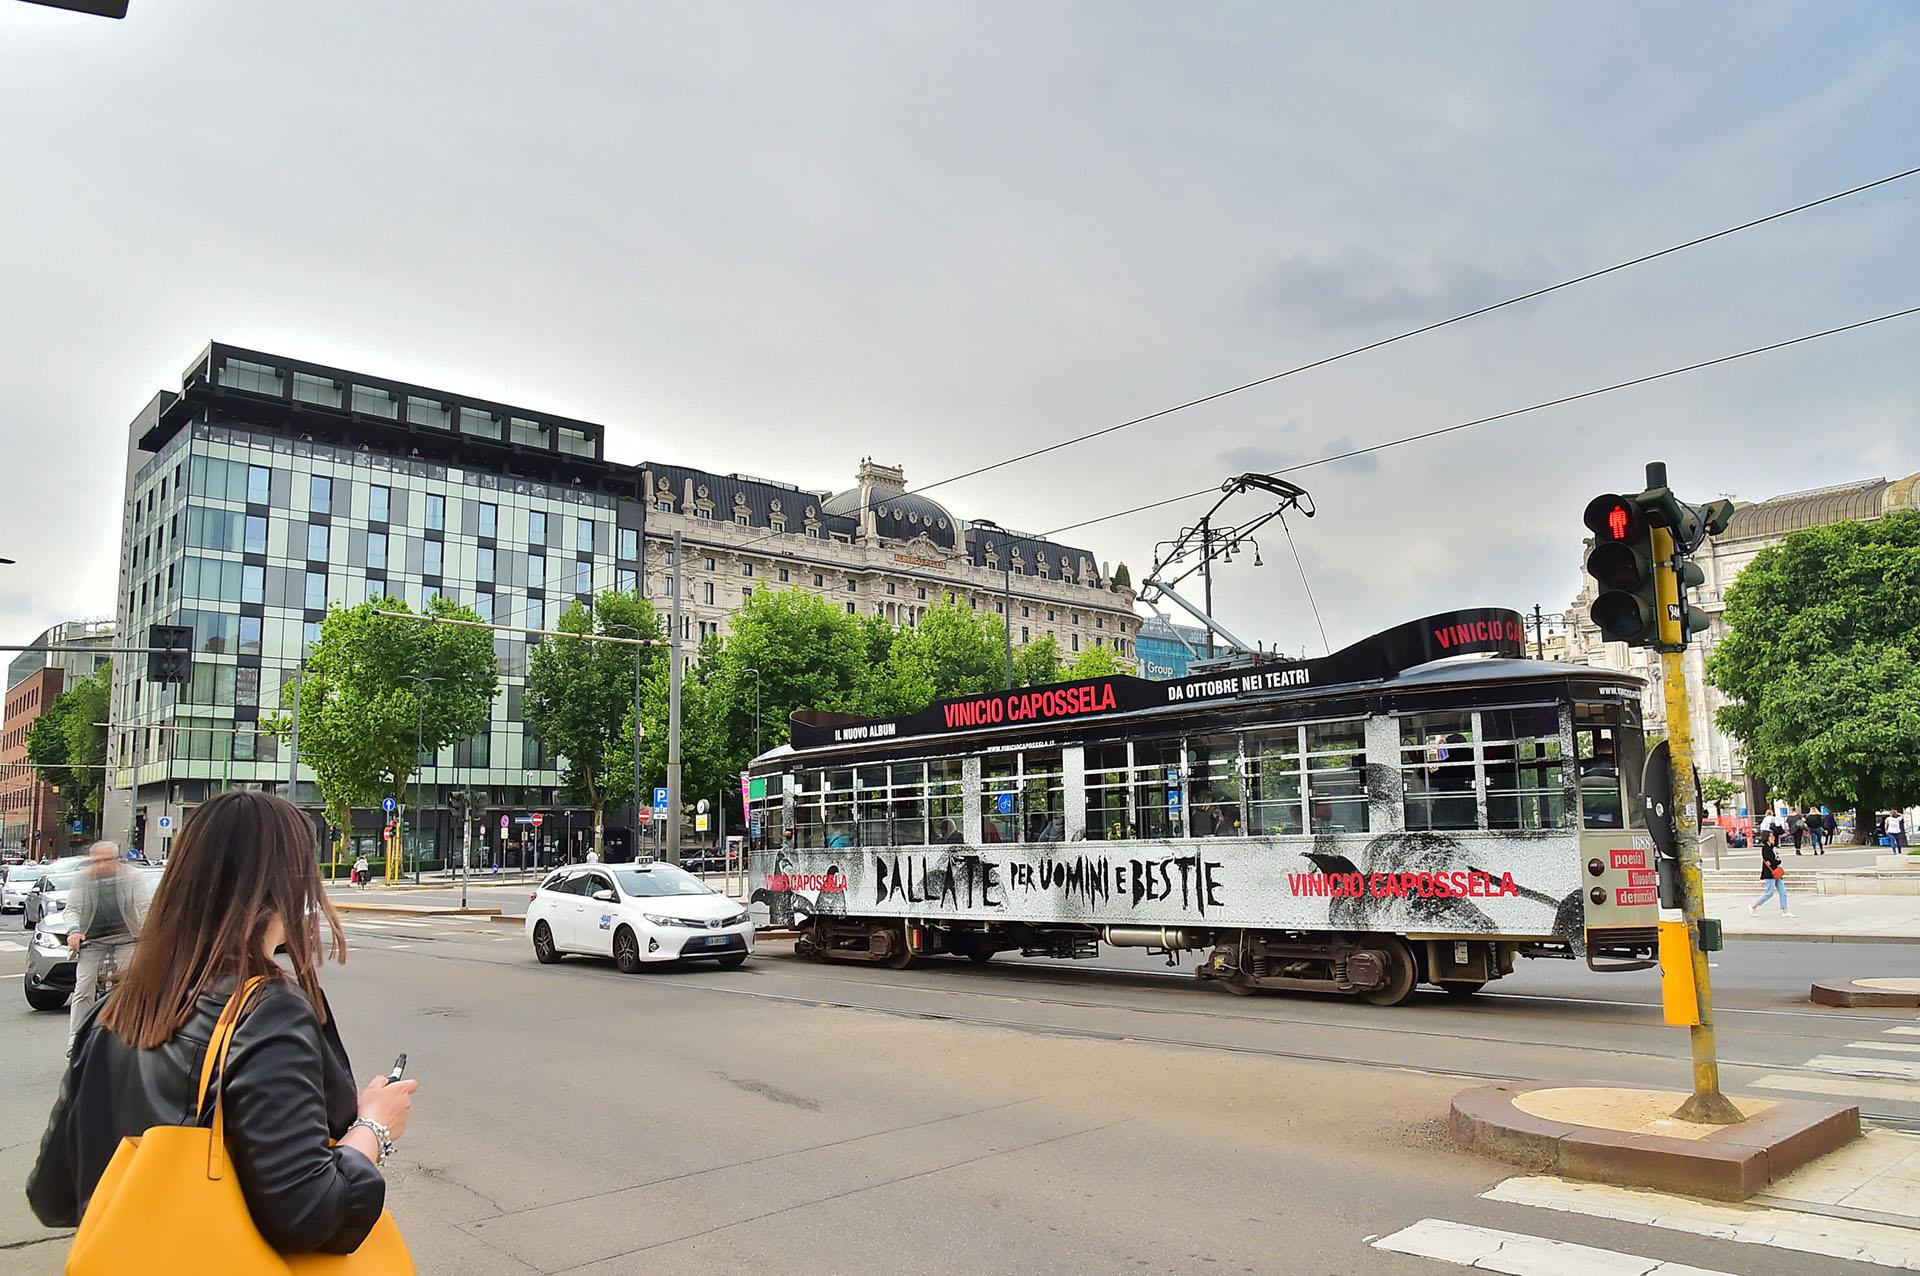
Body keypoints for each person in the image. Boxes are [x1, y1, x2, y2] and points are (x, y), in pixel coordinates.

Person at [28, 789, 417, 1256]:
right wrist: (373, 1127)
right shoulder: (266, 1012)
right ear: (283, 889)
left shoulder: (112, 1010)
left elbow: (51, 1197)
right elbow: (312, 1212)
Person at [64, 841, 149, 1057]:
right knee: (84, 986)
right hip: (92, 940)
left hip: (127, 937)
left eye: (106, 860)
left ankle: (125, 1036)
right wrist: (74, 931)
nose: (101, 866)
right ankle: (76, 1040)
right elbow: (72, 909)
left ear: (117, 859)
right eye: (97, 861)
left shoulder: (132, 876)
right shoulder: (84, 878)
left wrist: (150, 930)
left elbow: (143, 906)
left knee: (127, 985)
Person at [1749, 833, 1792, 917]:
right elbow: (1771, 861)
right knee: (1769, 893)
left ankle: (1785, 910)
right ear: (1767, 838)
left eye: (1773, 836)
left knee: (1783, 891)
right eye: (1771, 836)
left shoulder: (1773, 848)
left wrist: (1776, 861)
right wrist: (1777, 861)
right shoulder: (1765, 848)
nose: (1773, 838)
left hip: (1776, 873)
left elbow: (1775, 860)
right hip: (1769, 873)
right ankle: (1753, 906)